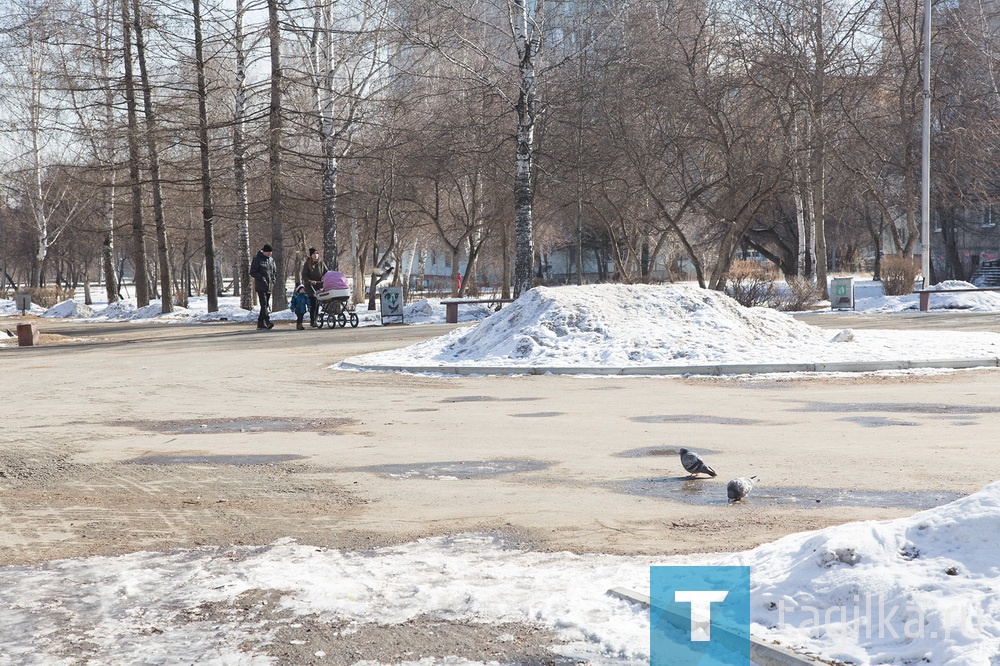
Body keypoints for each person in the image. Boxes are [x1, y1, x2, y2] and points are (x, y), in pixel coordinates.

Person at [250, 244, 276, 330]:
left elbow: (274, 271)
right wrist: (261, 277)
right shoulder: (257, 259)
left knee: (265, 305)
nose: (270, 254)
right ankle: (267, 321)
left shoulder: (271, 260)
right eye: (268, 252)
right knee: (264, 304)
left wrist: (273, 280)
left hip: (269, 286)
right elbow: (252, 272)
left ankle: (260, 323)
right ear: (264, 251)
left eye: (271, 252)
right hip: (261, 286)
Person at [301, 248, 328, 328]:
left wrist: (326, 279)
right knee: (314, 303)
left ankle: (315, 319)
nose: (315, 255)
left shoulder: (321, 263)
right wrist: (310, 281)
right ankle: (313, 320)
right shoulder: (307, 264)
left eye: (317, 253)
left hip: (318, 285)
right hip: (310, 286)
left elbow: (326, 272)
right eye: (314, 254)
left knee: (317, 303)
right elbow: (304, 276)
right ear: (311, 255)